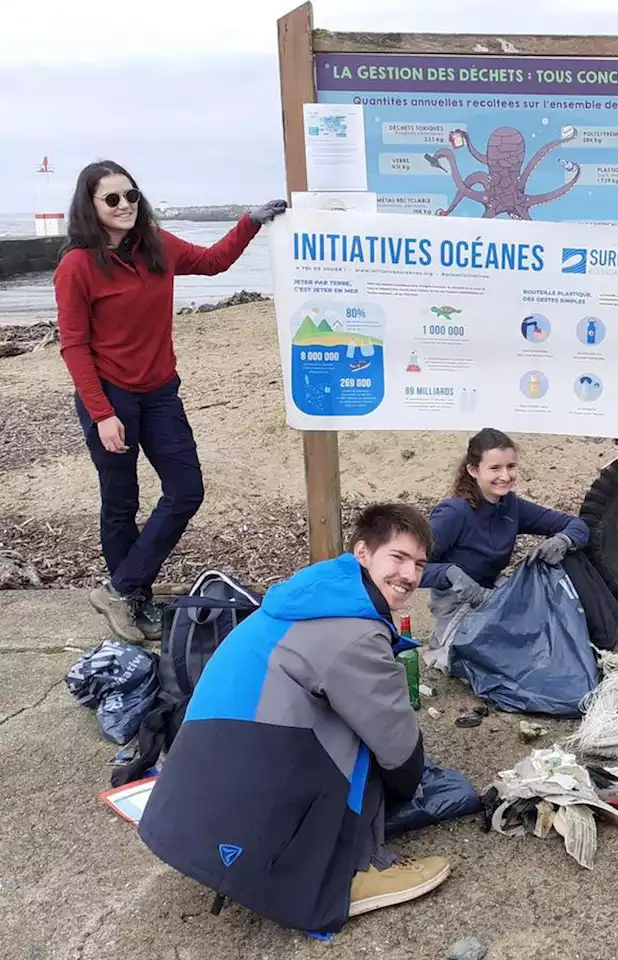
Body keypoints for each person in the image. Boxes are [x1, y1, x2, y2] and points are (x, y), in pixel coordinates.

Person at [139, 504, 450, 933]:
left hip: (184, 810)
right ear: (363, 553)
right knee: (365, 749)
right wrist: (409, 785)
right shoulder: (355, 631)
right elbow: (396, 744)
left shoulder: (316, 591)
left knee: (343, 718)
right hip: (251, 787)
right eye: (397, 558)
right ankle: (355, 874)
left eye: (418, 564)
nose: (409, 575)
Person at [54, 160, 287, 642]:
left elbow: (212, 261)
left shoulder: (157, 246)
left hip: (160, 392)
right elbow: (74, 345)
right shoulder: (78, 266)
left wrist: (250, 222)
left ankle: (118, 589)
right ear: (90, 207)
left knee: (186, 490)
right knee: (120, 503)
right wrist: (102, 414)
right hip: (111, 396)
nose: (125, 206)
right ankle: (133, 603)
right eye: (112, 199)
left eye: (131, 196)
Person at [419, 428, 590, 659]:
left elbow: (575, 525)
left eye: (511, 466)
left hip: (495, 595)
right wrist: (448, 573)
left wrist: (563, 540)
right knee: (517, 656)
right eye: (495, 468)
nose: (505, 476)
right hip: (458, 605)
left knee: (572, 557)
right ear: (473, 470)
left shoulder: (511, 506)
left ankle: (613, 638)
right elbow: (409, 567)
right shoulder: (454, 513)